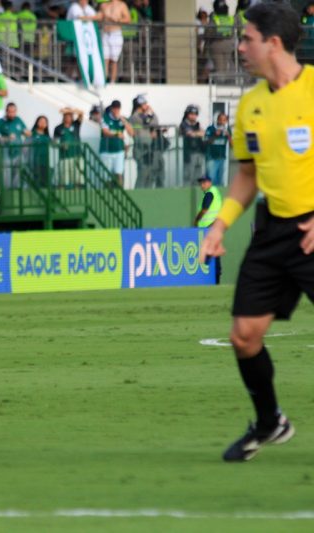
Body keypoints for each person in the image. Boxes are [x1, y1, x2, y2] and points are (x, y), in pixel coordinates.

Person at [198, 2, 310, 462]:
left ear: (274, 43)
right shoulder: (250, 106)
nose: (239, 46)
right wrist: (219, 224)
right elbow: (247, 176)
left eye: (246, 39)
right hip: (274, 231)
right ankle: (270, 423)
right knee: (244, 335)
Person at [129, 94, 163, 188]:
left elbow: (155, 123)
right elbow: (146, 125)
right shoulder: (134, 117)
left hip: (150, 148)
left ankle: (148, 195)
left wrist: (152, 113)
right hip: (141, 149)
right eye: (144, 104)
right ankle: (139, 194)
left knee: (151, 174)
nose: (146, 105)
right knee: (143, 174)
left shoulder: (146, 116)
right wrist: (151, 114)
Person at [194, 175, 222, 283]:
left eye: (204, 182)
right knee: (214, 253)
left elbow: (205, 210)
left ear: (210, 182)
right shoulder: (215, 192)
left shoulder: (210, 193)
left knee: (210, 253)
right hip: (215, 226)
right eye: (201, 183)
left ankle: (215, 278)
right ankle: (217, 277)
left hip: (210, 227)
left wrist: (196, 220)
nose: (202, 185)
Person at [99, 100, 132, 186]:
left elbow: (131, 132)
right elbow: (105, 132)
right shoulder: (105, 118)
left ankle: (120, 193)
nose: (116, 110)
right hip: (106, 151)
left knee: (119, 173)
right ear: (111, 109)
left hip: (119, 151)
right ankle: (107, 193)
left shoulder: (122, 119)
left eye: (118, 108)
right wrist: (117, 134)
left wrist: (123, 120)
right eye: (114, 108)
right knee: (106, 176)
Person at [99, 0, 131, 83]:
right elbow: (99, 17)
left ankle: (112, 81)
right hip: (105, 33)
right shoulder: (104, 5)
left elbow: (128, 19)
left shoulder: (121, 5)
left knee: (114, 60)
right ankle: (103, 80)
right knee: (105, 59)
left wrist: (117, 20)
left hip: (115, 33)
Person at [53, 107, 84, 188]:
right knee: (64, 177)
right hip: (64, 156)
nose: (67, 117)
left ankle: (77, 191)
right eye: (66, 115)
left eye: (69, 115)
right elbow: (54, 142)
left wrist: (69, 110)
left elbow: (81, 113)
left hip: (77, 154)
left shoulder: (76, 124)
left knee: (77, 176)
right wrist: (61, 145)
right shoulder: (58, 128)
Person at [204, 112, 233, 186]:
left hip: (222, 158)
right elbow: (206, 142)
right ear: (217, 120)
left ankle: (218, 196)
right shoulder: (210, 128)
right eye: (220, 120)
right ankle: (209, 196)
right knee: (211, 178)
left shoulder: (227, 129)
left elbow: (232, 145)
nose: (222, 122)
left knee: (220, 181)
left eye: (224, 120)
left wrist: (229, 136)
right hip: (212, 157)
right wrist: (215, 135)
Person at [180, 104, 206, 186]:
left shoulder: (197, 124)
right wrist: (198, 133)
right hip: (189, 153)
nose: (194, 116)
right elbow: (190, 134)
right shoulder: (184, 124)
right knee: (188, 176)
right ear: (187, 114)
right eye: (191, 114)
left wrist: (198, 133)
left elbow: (203, 133)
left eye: (195, 114)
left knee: (198, 177)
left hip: (199, 152)